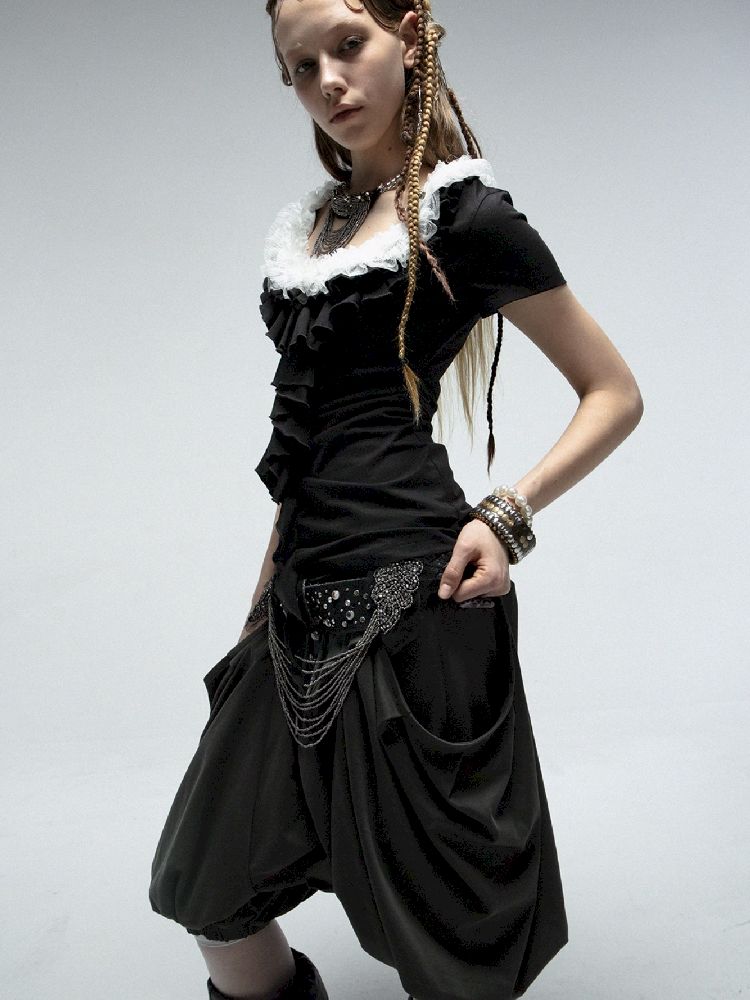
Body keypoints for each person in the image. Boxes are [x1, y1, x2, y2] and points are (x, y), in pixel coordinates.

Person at [148, 1, 644, 998]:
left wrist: (506, 516)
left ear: (408, 38)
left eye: (349, 45)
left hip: (418, 601)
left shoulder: (467, 217)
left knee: (452, 933)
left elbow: (614, 393)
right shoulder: (312, 233)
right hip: (299, 601)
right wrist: (258, 607)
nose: (328, 81)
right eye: (301, 67)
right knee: (205, 882)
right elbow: (304, 452)